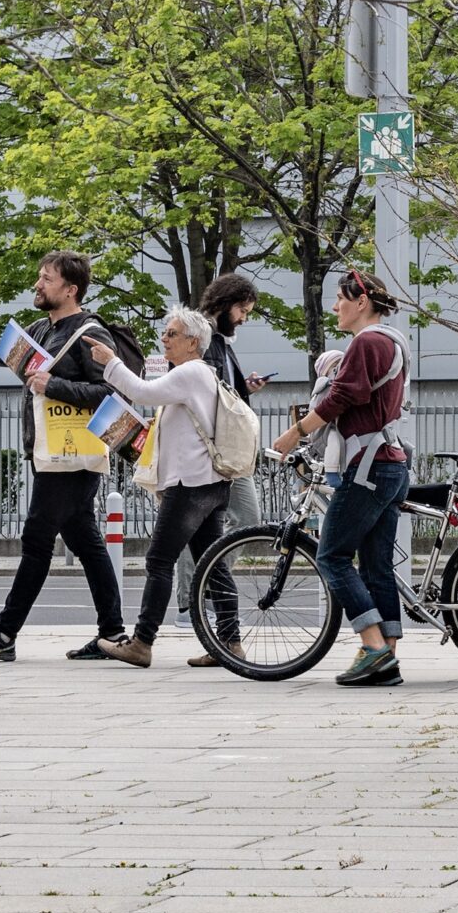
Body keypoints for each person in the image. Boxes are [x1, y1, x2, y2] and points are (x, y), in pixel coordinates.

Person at [0, 251, 131, 662]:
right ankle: (113, 635)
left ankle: (4, 634)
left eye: (47, 279)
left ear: (70, 290)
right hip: (51, 454)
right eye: (39, 277)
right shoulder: (41, 329)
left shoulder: (90, 334)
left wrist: (54, 385)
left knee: (36, 539)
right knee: (86, 542)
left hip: (73, 457)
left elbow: (114, 395)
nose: (38, 284)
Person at [269, 269, 410, 687]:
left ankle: (373, 646)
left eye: (340, 299)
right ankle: (384, 656)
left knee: (331, 555)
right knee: (377, 567)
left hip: (368, 466)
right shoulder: (394, 340)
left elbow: (343, 396)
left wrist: (296, 431)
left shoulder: (368, 341)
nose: (335, 307)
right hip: (389, 463)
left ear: (361, 301)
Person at [87, 306, 243, 667]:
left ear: (192, 342)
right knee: (214, 564)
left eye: (171, 334)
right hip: (210, 483)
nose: (164, 339)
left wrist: (111, 362)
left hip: (190, 486)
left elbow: (140, 391)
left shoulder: (190, 372)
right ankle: (231, 644)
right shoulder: (198, 376)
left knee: (159, 560)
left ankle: (142, 642)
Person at [175, 272, 272, 666]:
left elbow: (223, 394)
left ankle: (202, 592)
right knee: (237, 523)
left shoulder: (222, 344)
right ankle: (198, 597)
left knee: (231, 527)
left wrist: (245, 387)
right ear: (226, 303)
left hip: (229, 454)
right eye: (243, 310)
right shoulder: (208, 340)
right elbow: (206, 398)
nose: (245, 318)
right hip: (219, 456)